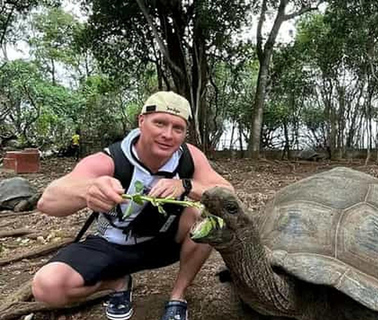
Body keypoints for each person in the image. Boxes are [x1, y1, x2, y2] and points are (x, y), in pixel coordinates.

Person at [32, 91, 234, 320]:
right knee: (47, 287)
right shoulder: (111, 159)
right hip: (112, 245)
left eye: (178, 128)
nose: (168, 135)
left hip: (163, 243)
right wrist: (86, 190)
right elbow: (47, 202)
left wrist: (186, 185)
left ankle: (178, 296)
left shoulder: (188, 157)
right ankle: (118, 282)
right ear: (141, 121)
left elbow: (227, 193)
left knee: (206, 218)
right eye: (159, 123)